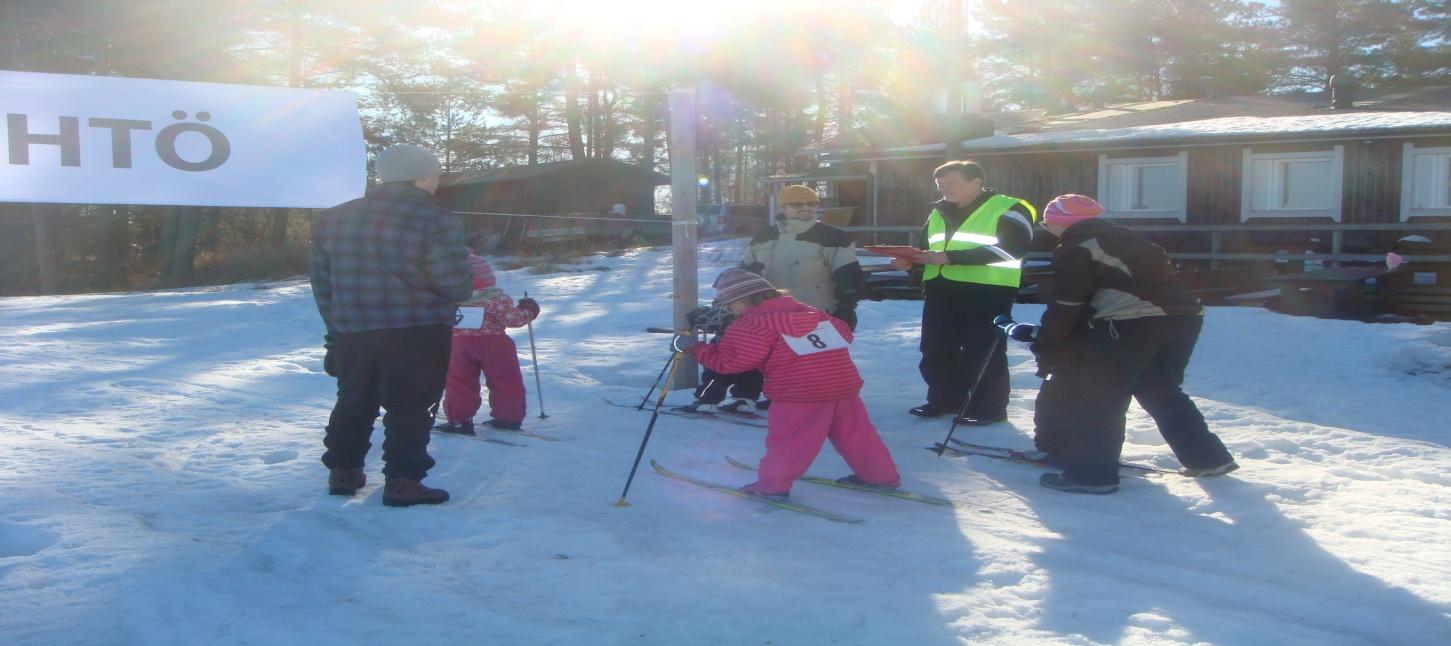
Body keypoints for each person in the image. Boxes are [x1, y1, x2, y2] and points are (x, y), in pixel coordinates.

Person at [1028, 194, 1237, 494]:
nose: (1048, 228)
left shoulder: (1077, 246)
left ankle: (1091, 475)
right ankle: (1207, 457)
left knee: (1100, 393)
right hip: (1185, 317)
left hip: (1130, 321)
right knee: (1160, 389)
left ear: (1060, 221)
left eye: (1048, 222)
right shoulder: (1131, 240)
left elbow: (1068, 302)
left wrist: (1046, 339)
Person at [310, 144, 473, 507]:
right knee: (411, 405)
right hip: (418, 328)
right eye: (436, 175)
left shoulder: (333, 218)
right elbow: (453, 281)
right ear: (423, 176)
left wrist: (335, 328)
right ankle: (403, 481)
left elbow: (322, 284)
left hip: (352, 328)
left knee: (353, 399)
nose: (437, 182)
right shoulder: (434, 217)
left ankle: (344, 471)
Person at [675, 268, 900, 500]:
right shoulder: (812, 313)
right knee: (857, 434)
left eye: (729, 305)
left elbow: (730, 362)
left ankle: (772, 487)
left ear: (741, 300)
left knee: (791, 441)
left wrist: (694, 347)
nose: (728, 311)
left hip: (799, 393)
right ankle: (880, 476)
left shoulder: (753, 325)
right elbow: (845, 334)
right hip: (843, 385)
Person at [682, 184, 867, 414]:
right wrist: (734, 295)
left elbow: (849, 275)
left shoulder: (833, 237)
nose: (806, 209)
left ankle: (788, 397)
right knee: (737, 349)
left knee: (793, 360)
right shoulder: (765, 235)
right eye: (798, 204)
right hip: (763, 310)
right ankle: (720, 396)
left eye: (812, 204)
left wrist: (846, 307)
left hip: (809, 312)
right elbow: (744, 272)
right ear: (784, 208)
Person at [893, 160, 1036, 424]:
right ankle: (945, 400)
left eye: (952, 183)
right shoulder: (938, 212)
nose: (944, 189)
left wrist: (949, 258)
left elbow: (1012, 249)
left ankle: (988, 409)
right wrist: (910, 262)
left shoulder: (1009, 207)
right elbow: (927, 251)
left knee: (982, 351)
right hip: (940, 290)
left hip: (988, 291)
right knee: (935, 348)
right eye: (940, 184)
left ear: (976, 182)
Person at [437, 253, 540, 435]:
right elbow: (513, 319)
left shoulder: (447, 299)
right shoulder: (493, 298)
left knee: (458, 382)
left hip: (458, 345)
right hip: (494, 344)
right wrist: (529, 310)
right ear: (487, 276)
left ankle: (459, 419)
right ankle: (509, 418)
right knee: (505, 381)